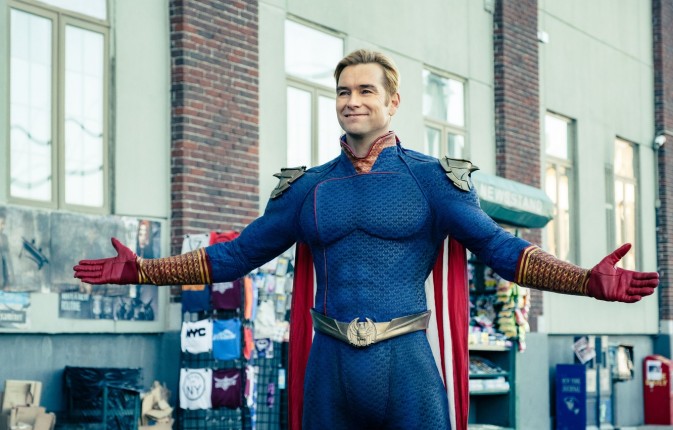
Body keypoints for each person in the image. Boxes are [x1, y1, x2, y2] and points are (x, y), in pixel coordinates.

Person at [74, 49, 659, 430]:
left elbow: (499, 249)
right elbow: (237, 254)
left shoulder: (432, 179)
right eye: (342, 92)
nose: (352, 101)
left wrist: (585, 281)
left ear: (392, 101)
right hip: (328, 367)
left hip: (406, 365)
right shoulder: (308, 188)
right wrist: (143, 271)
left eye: (365, 91)